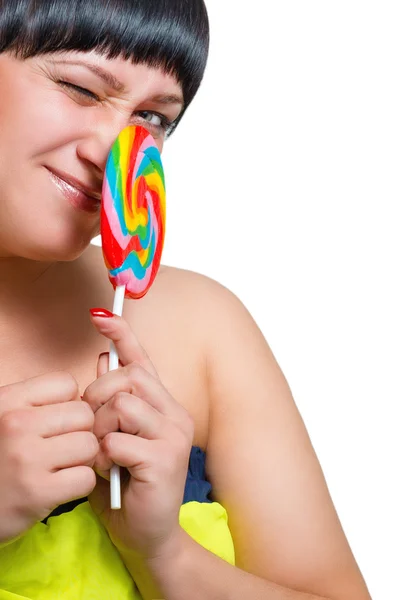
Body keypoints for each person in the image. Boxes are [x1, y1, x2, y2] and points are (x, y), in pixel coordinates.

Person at [0, 1, 372, 598]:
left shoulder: (205, 327)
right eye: (80, 88)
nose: (110, 149)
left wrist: (164, 554)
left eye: (152, 116)